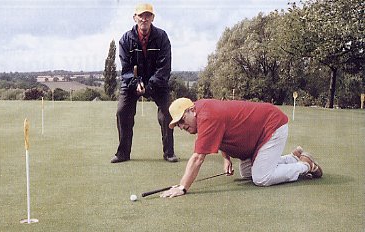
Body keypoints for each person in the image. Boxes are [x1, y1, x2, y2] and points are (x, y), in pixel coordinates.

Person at [160, 98, 323, 198]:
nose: (181, 126)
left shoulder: (206, 116)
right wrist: (226, 158)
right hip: (257, 136)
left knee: (261, 178)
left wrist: (182, 187)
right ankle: (292, 158)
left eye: (182, 120)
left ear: (192, 110)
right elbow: (222, 131)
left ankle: (305, 165)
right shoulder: (202, 111)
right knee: (246, 173)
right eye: (178, 124)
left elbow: (197, 158)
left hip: (272, 125)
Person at [111, 3, 178, 163]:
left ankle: (169, 153)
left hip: (157, 82)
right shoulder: (125, 39)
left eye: (148, 15)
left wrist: (149, 85)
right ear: (135, 18)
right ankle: (123, 154)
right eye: (141, 15)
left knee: (167, 112)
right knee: (122, 111)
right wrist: (136, 83)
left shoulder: (162, 37)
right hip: (132, 83)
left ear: (153, 18)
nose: (144, 19)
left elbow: (164, 67)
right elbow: (126, 69)